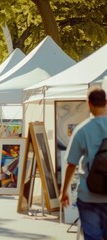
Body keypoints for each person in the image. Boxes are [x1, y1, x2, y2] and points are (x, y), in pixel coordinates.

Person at [61, 87, 107, 239]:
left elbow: (71, 164)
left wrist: (64, 192)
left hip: (89, 195)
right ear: (106, 102)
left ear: (89, 104)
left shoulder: (83, 130)